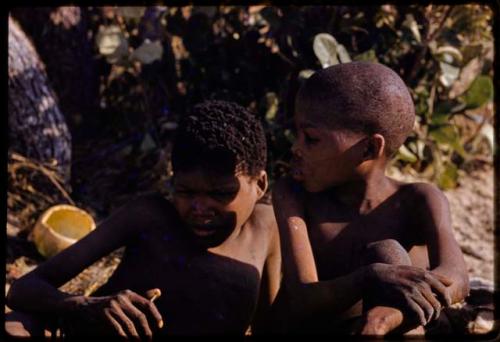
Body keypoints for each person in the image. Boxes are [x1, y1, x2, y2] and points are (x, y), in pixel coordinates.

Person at [6, 100, 281, 338]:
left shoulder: (266, 229)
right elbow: (23, 290)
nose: (200, 207)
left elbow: (269, 325)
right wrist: (88, 305)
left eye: (221, 194)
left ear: (260, 184)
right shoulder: (150, 218)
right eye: (185, 191)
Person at [271, 61, 469, 335]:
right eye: (298, 134)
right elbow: (303, 298)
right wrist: (369, 277)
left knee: (388, 252)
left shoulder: (417, 199)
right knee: (385, 262)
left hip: (386, 329)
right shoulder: (293, 195)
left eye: (311, 138)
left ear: (369, 148)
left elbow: (457, 278)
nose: (296, 148)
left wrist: (384, 320)